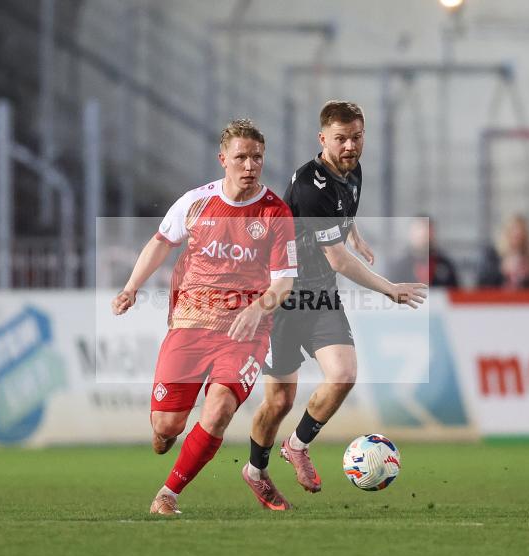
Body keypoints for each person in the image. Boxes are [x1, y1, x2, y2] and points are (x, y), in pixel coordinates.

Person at [241, 101, 427, 509]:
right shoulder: (311, 185)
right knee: (279, 400)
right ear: (322, 139)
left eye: (356, 137)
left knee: (343, 374)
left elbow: (343, 212)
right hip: (284, 295)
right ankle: (255, 471)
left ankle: (296, 445)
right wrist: (390, 289)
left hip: (321, 294)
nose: (349, 146)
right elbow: (338, 260)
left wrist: (352, 232)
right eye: (340, 139)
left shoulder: (352, 168)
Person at [113, 119, 297, 515]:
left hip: (246, 330)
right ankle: (167, 435)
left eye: (258, 158)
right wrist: (131, 286)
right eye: (242, 157)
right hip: (190, 324)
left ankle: (168, 495)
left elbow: (283, 285)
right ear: (223, 160)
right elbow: (161, 243)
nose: (250, 165)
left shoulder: (276, 214)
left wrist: (256, 308)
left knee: (219, 410)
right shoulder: (196, 202)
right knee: (166, 428)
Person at [388, 216, 459, 288]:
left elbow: (456, 294)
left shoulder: (445, 265)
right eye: (419, 229)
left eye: (428, 230)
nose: (424, 234)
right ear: (411, 233)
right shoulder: (399, 267)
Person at [476, 214, 529, 289]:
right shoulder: (492, 257)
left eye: (521, 236)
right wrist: (502, 269)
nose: (517, 239)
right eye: (514, 234)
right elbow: (481, 284)